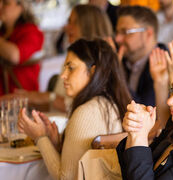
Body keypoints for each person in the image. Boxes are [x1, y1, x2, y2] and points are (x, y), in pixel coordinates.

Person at [18, 39, 131, 180]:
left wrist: (40, 137)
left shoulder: (87, 112)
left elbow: (65, 178)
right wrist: (56, 145)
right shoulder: (108, 102)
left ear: (92, 71)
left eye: (70, 68)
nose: (63, 75)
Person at [1, 4, 114, 113]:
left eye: (73, 22)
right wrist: (25, 99)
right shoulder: (75, 56)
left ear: (88, 26)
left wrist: (36, 97)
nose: (66, 27)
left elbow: (74, 105)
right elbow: (58, 102)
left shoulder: (95, 63)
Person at [115, 5, 167, 107]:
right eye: (117, 32)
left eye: (125, 32)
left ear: (148, 34)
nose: (117, 39)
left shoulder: (164, 64)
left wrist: (117, 73)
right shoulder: (123, 59)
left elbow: (144, 109)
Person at [0, 0, 44, 95]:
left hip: (20, 101)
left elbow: (15, 56)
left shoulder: (31, 31)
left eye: (5, 3)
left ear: (21, 6)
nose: (0, 6)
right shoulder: (2, 32)